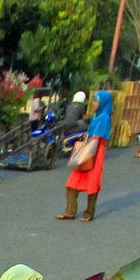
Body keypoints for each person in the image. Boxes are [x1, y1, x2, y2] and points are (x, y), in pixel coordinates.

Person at [57, 89, 112, 222]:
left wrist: (87, 146)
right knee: (72, 183)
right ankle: (70, 211)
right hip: (88, 149)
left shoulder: (104, 117)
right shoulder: (96, 116)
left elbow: (98, 137)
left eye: (96, 101)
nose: (93, 103)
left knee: (92, 183)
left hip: (95, 152)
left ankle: (89, 213)